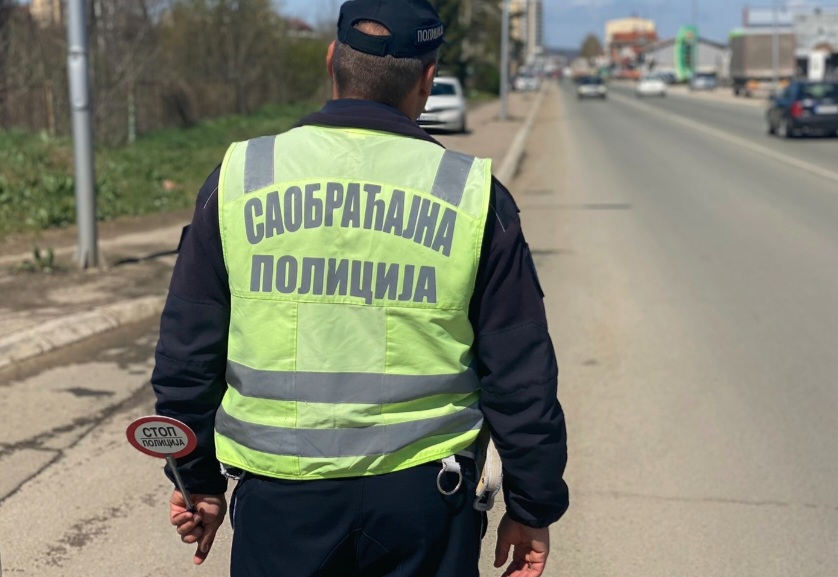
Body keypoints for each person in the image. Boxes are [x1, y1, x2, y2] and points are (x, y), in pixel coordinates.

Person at [150, 0, 569, 575]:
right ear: (427, 79)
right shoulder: (471, 195)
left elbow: (186, 356)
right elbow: (521, 373)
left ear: (332, 60)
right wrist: (530, 504)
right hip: (426, 503)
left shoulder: (241, 178)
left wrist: (195, 480)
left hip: (280, 502)